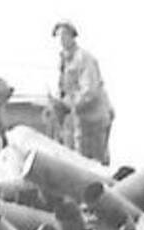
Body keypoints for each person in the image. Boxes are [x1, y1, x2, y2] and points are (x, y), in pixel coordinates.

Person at [53, 20, 114, 164]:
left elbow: (89, 90)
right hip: (80, 119)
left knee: (96, 162)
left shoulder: (84, 58)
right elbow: (63, 88)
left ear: (72, 36)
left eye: (64, 35)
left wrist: (67, 104)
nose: (61, 39)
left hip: (95, 118)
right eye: (58, 36)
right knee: (79, 160)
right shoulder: (63, 60)